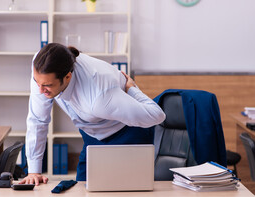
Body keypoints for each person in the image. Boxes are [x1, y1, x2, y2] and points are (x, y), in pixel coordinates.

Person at [20, 43, 166, 185]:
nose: (40, 90)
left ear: (67, 77)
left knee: (128, 196)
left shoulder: (99, 98)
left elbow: (157, 115)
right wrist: (34, 171)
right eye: (36, 82)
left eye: (47, 86)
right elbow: (38, 119)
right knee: (82, 190)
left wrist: (132, 89)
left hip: (127, 133)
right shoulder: (41, 68)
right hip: (92, 134)